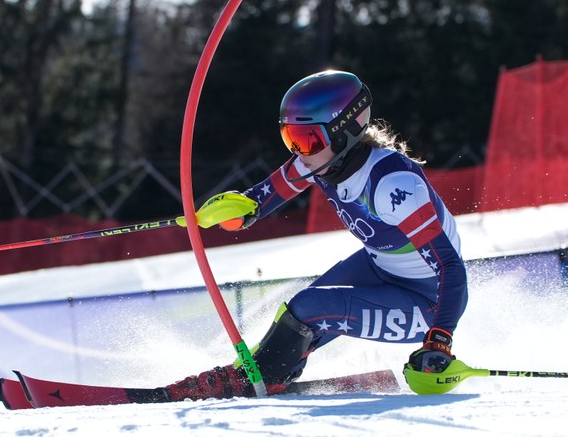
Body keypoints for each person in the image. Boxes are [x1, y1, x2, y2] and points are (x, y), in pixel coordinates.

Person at [161, 70, 468, 400]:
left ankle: (264, 375)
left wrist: (439, 339)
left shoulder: (393, 186)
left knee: (308, 306)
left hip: (428, 304)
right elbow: (263, 197)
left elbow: (451, 267)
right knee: (292, 318)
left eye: (308, 140)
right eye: (291, 139)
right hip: (381, 268)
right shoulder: (319, 161)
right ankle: (264, 370)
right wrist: (236, 209)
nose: (300, 152)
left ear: (344, 133)